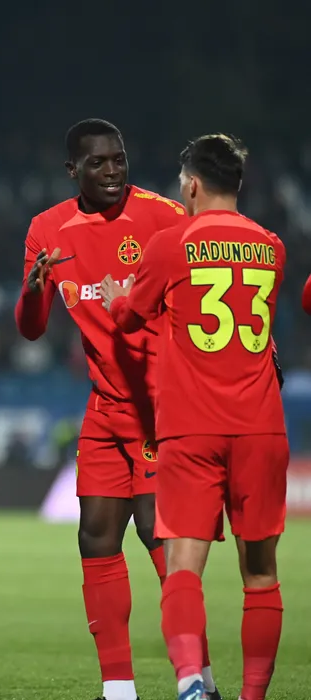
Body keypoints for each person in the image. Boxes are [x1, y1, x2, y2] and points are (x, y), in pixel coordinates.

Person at [14, 119, 219, 700]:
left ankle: (199, 680)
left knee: (159, 536)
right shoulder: (48, 230)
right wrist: (33, 289)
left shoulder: (164, 217)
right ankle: (118, 689)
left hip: (161, 405)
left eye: (119, 160)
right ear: (72, 170)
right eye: (98, 163)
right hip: (105, 407)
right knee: (96, 537)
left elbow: (210, 297)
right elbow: (30, 329)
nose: (112, 171)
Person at [101, 134, 287, 700]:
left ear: (192, 186)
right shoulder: (271, 247)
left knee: (183, 566)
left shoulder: (171, 243)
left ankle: (190, 682)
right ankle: (252, 695)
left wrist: (115, 296)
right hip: (261, 426)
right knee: (262, 574)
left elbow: (130, 319)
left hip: (191, 428)